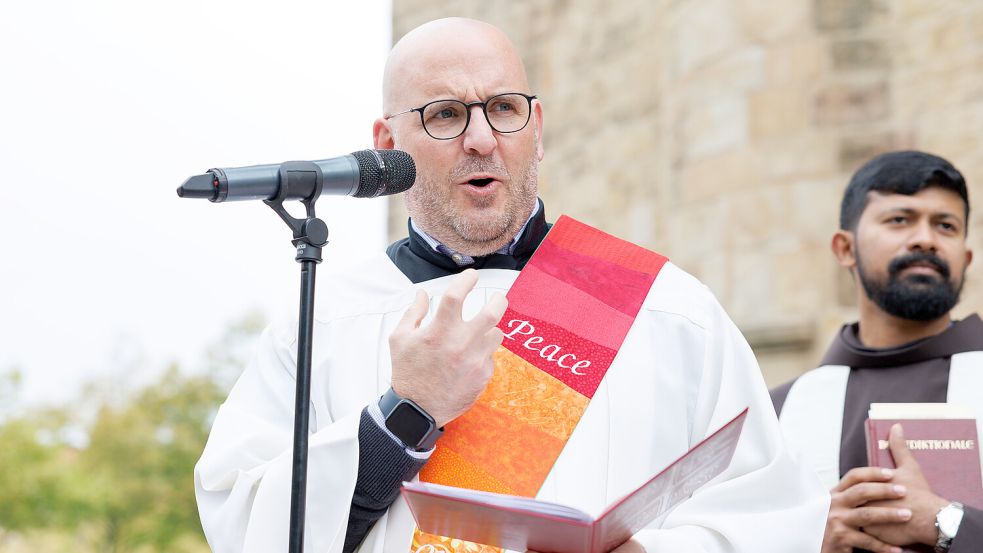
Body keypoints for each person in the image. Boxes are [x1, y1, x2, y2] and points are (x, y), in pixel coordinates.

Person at [195, 17, 827, 553]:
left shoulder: (667, 308)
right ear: (388, 143)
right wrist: (405, 414)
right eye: (444, 115)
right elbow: (249, 518)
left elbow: (770, 513)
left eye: (503, 109)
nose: (480, 141)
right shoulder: (325, 318)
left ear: (538, 129)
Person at [771, 150, 983, 553]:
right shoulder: (778, 411)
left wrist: (946, 523)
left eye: (946, 225)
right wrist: (805, 540)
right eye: (900, 220)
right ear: (844, 249)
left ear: (966, 258)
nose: (925, 238)